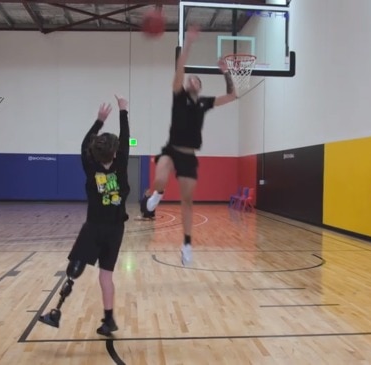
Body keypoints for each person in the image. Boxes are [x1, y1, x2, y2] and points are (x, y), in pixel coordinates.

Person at [145, 25, 238, 266]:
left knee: (187, 202)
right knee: (160, 177)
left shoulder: (205, 103)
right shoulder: (178, 95)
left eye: (195, 79)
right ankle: (158, 194)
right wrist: (187, 44)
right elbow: (180, 68)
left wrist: (226, 72)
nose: (191, 80)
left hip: (189, 156)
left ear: (200, 86)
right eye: (189, 79)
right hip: (172, 149)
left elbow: (231, 96)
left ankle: (187, 244)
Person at [39, 95, 131, 337]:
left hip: (93, 228)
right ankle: (109, 319)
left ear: (96, 153)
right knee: (106, 276)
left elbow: (83, 145)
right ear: (115, 153)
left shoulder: (91, 168)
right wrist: (124, 111)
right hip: (115, 230)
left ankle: (56, 312)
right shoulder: (121, 166)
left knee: (75, 268)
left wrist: (99, 121)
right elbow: (125, 141)